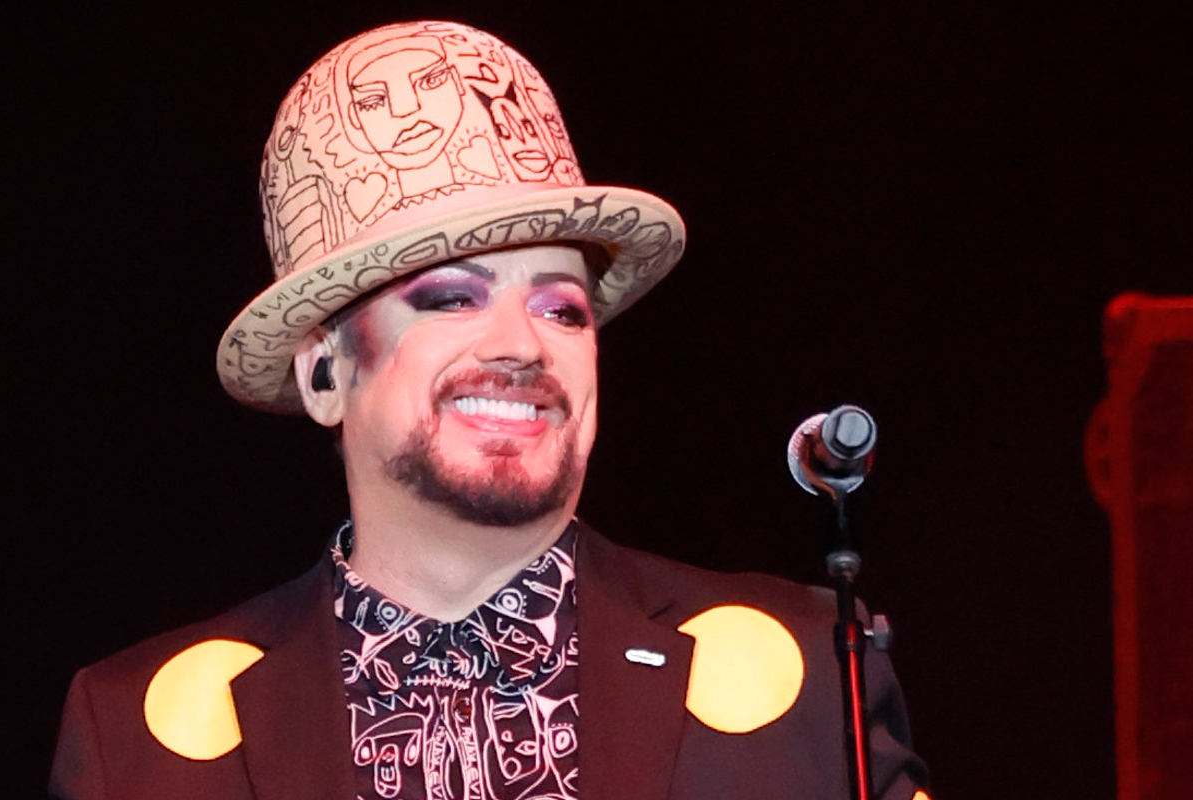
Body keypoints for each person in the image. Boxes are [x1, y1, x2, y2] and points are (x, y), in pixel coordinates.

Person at [51, 20, 930, 800]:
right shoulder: (136, 742)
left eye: (562, 309)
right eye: (450, 299)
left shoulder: (815, 678)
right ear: (323, 371)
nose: (520, 345)